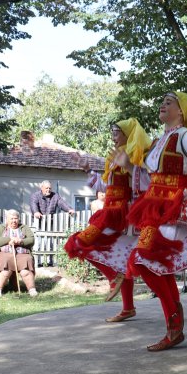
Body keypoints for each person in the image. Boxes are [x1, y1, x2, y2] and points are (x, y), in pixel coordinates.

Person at [122, 92, 187, 351]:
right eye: (162, 100)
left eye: (169, 102)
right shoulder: (159, 140)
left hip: (174, 207)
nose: (162, 104)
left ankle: (175, 322)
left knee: (142, 261)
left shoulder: (185, 136)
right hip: (155, 206)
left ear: (182, 111)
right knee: (152, 264)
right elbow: (147, 178)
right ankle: (173, 325)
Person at [65, 119, 152, 322]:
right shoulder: (113, 158)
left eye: (117, 132)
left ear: (128, 134)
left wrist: (130, 166)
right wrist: (87, 169)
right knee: (89, 248)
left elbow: (147, 183)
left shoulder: (136, 155)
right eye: (112, 132)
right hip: (110, 212)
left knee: (80, 242)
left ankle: (115, 278)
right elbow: (106, 187)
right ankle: (127, 306)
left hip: (123, 216)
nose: (113, 135)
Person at [0, 209, 37, 296]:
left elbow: (31, 240)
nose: (14, 221)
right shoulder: (0, 228)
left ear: (18, 219)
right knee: (5, 266)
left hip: (22, 253)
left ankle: (32, 289)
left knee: (26, 264)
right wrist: (10, 239)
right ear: (7, 219)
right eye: (11, 218)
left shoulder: (24, 228)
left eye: (15, 218)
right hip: (5, 253)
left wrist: (20, 241)